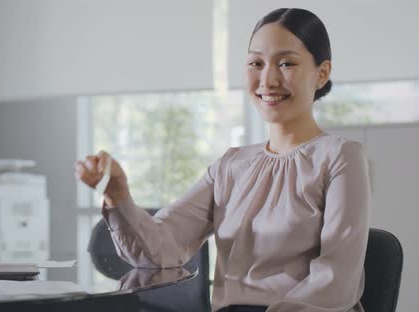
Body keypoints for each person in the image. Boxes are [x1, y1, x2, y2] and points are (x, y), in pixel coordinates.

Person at [75, 8, 370, 312]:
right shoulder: (231, 166)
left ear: (322, 73)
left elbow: (335, 281)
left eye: (286, 63)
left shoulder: (340, 157)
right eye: (256, 63)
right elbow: (160, 253)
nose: (267, 79)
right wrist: (118, 195)